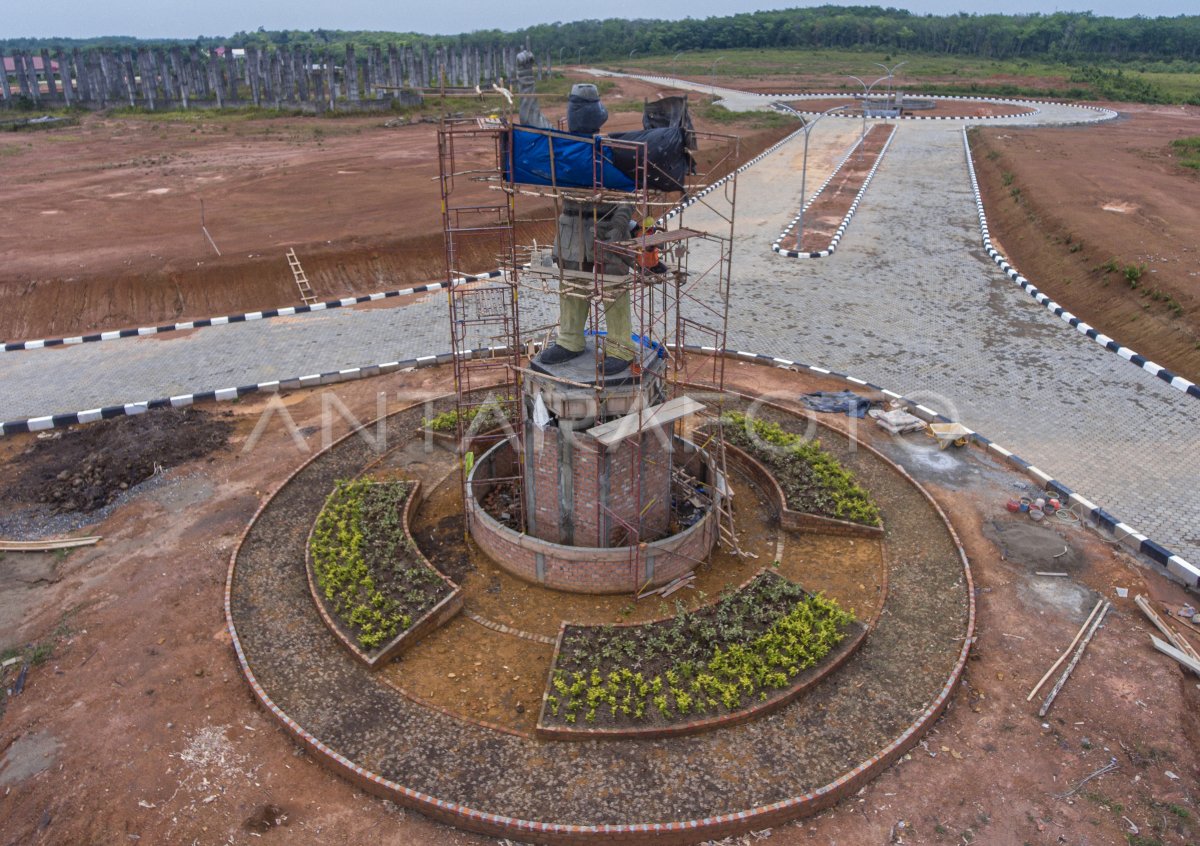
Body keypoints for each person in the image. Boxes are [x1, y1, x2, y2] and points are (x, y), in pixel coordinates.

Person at [515, 49, 635, 376]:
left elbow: (631, 189)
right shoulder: (561, 148)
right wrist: (525, 78)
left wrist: (622, 221)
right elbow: (530, 119)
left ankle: (621, 346)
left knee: (613, 288)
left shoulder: (610, 151)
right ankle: (570, 340)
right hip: (570, 229)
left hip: (604, 228)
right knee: (571, 288)